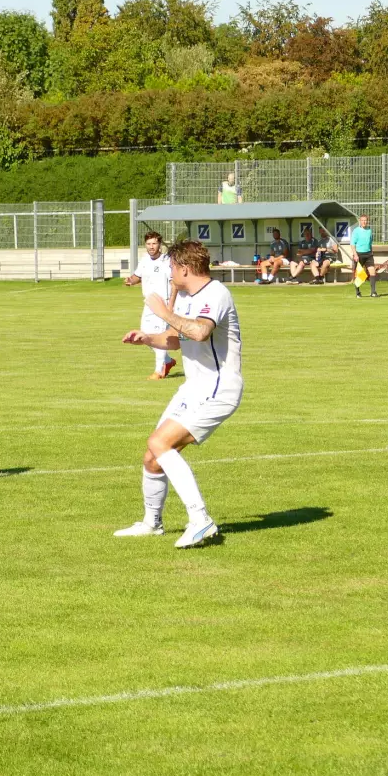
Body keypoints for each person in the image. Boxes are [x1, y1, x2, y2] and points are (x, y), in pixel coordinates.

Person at [118, 238, 241, 548]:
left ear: (185, 268)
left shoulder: (216, 293)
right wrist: (147, 338)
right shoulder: (184, 295)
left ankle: (201, 520)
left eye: (172, 267)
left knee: (159, 443)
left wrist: (162, 310)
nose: (169, 272)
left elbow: (199, 331)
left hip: (218, 388)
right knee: (152, 457)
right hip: (194, 387)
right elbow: (174, 339)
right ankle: (152, 524)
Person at [123, 231, 176, 379]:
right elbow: (137, 276)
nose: (151, 246)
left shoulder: (167, 261)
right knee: (144, 335)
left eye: (154, 243)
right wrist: (130, 280)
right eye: (148, 244)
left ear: (159, 245)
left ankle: (159, 371)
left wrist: (171, 305)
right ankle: (167, 361)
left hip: (163, 303)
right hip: (148, 303)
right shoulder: (144, 260)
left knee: (159, 336)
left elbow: (174, 284)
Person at [350, 214, 379, 298]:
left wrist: (371, 252)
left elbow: (370, 243)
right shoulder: (356, 231)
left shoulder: (369, 231)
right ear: (360, 221)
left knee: (372, 272)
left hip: (368, 254)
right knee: (360, 274)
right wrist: (355, 254)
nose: (364, 222)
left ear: (367, 221)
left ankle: (373, 292)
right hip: (359, 254)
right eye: (362, 220)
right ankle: (358, 292)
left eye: (365, 220)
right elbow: (352, 244)